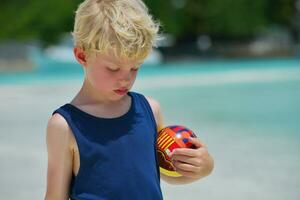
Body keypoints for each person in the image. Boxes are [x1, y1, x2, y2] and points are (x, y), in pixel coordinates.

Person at [44, 0, 214, 199]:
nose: (125, 78)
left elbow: (162, 173)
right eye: (113, 68)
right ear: (82, 56)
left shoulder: (150, 109)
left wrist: (204, 167)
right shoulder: (65, 126)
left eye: (135, 68)